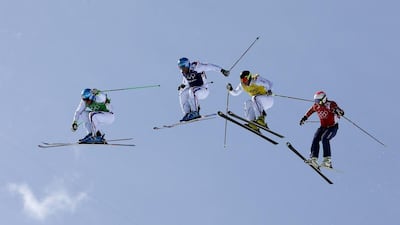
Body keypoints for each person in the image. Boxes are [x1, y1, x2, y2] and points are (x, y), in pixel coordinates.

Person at [299, 91, 345, 169]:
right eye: (315, 101)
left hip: (332, 127)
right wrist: (304, 118)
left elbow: (338, 110)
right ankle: (313, 158)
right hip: (323, 127)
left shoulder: (330, 104)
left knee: (324, 138)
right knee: (316, 138)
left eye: (318, 101)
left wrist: (338, 111)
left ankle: (327, 161)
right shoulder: (316, 106)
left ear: (323, 99)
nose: (317, 103)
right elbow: (310, 111)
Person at [177, 57, 230, 121]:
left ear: (187, 64)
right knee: (182, 93)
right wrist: (182, 85)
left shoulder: (196, 67)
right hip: (194, 92)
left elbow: (209, 66)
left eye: (183, 66)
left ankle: (195, 112)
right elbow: (186, 81)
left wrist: (222, 70)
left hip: (203, 90)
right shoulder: (183, 72)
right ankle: (187, 113)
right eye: (180, 67)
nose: (182, 69)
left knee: (192, 90)